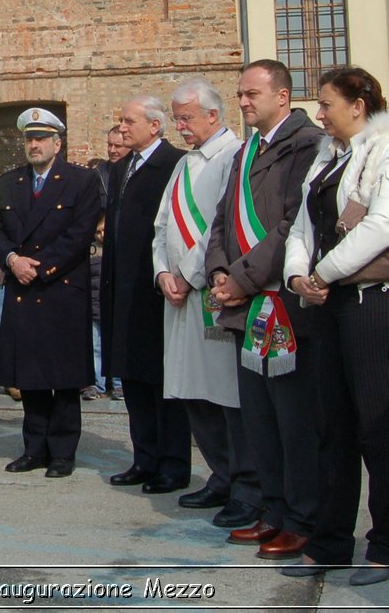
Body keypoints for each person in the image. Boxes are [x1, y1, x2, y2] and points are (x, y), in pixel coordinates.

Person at [284, 66, 389, 586]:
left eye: (327, 104)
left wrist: (325, 271)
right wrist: (299, 275)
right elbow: (301, 225)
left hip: (376, 301)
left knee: (378, 425)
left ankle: (387, 545)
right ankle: (331, 540)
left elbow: (386, 223)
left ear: (359, 104)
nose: (320, 114)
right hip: (329, 300)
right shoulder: (326, 157)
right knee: (331, 426)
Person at [204, 59, 324, 551]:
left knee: (294, 422)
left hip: (282, 305)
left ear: (282, 96)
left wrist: (242, 278)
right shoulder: (245, 150)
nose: (244, 102)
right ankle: (271, 509)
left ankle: (302, 517)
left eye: (252, 93)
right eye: (240, 94)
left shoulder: (306, 145)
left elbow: (292, 225)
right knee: (259, 420)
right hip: (244, 306)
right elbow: (222, 219)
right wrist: (217, 269)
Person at [152, 80, 260, 521]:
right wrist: (162, 271)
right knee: (193, 391)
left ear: (213, 116)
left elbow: (222, 225)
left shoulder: (234, 157)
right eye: (177, 118)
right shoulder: (184, 164)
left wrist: (185, 274)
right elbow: (163, 226)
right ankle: (220, 474)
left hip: (211, 292)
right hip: (178, 295)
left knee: (225, 394)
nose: (180, 127)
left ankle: (246, 483)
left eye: (186, 118)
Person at [0, 107, 103, 478]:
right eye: (29, 139)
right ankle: (34, 448)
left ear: (58, 142)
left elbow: (80, 233)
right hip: (21, 286)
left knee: (64, 378)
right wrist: (11, 260)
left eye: (41, 138)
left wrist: (38, 267)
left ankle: (62, 453)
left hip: (60, 287)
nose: (34, 145)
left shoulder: (81, 181)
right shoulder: (9, 182)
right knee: (31, 376)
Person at [102, 95, 186, 492]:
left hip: (157, 288)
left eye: (128, 120)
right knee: (134, 379)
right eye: (120, 120)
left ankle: (172, 463)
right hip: (125, 287)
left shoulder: (173, 164)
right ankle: (144, 457)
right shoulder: (124, 168)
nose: (121, 127)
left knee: (161, 382)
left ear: (154, 126)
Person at [84, 126, 130, 401]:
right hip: (98, 256)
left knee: (119, 326)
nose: (113, 150)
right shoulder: (98, 175)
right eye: (109, 145)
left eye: (118, 145)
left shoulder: (135, 173)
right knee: (96, 327)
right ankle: (98, 382)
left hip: (124, 256)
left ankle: (119, 380)